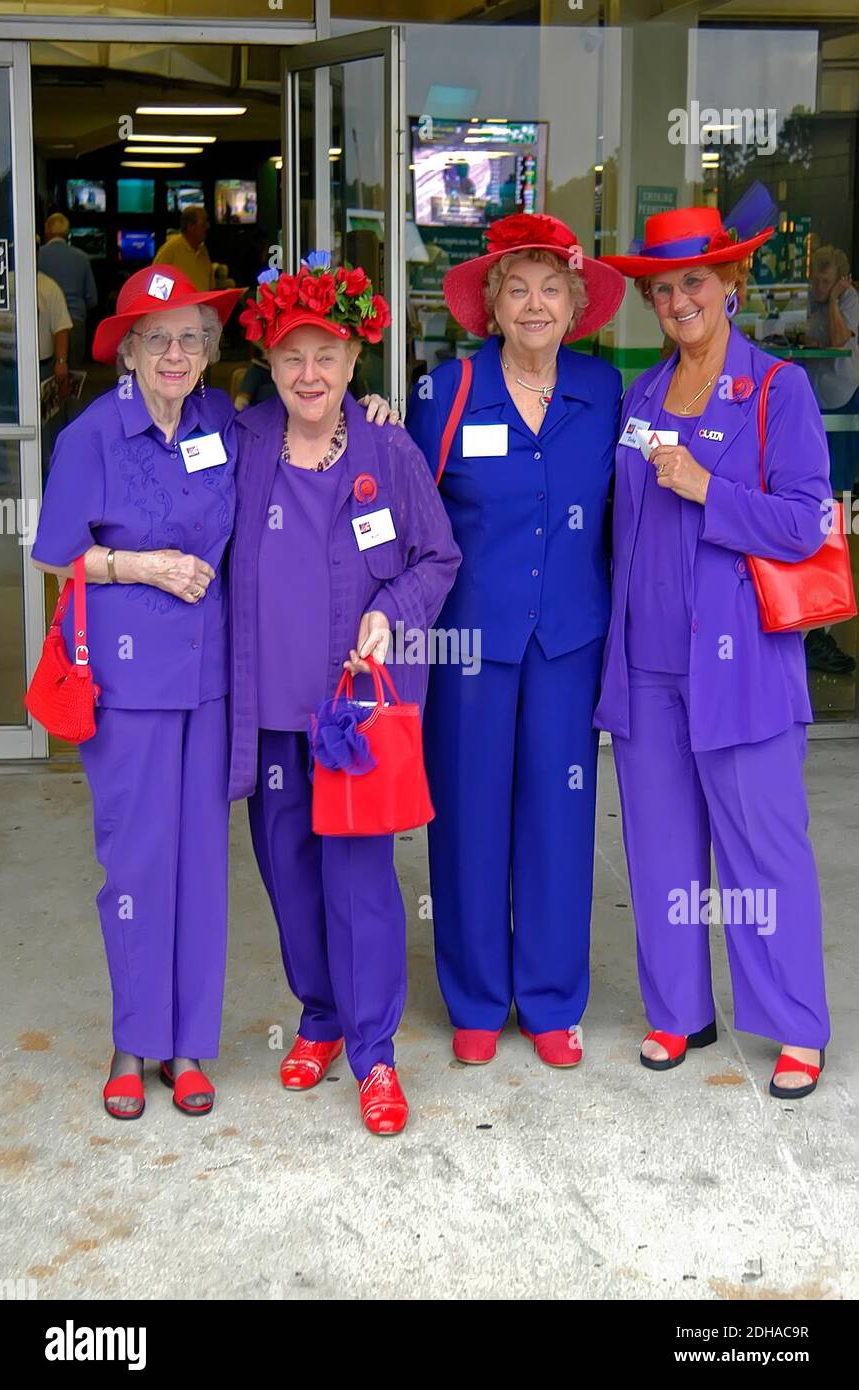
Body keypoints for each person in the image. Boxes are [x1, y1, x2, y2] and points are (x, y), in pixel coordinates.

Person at [596, 192, 831, 1099]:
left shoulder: (779, 388)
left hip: (743, 671)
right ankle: (678, 1010)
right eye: (660, 289)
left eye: (694, 281)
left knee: (762, 849)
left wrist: (705, 487)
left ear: (730, 282)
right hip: (649, 665)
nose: (677, 301)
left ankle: (794, 1025)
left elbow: (809, 520)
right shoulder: (641, 393)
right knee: (659, 843)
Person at [228, 256, 460, 1134]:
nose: (310, 375)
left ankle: (375, 1052)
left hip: (353, 715)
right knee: (289, 874)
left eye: (326, 355)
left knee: (360, 882)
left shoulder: (385, 445)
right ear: (270, 364)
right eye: (292, 358)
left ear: (355, 359)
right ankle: (319, 1017)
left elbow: (439, 558)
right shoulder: (245, 440)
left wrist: (389, 611)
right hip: (273, 711)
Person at [405, 213, 626, 1068]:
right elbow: (406, 508)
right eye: (516, 288)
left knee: (560, 820)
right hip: (469, 651)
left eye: (551, 288)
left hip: (568, 642)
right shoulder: (445, 393)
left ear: (575, 304)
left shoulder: (604, 394)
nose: (535, 304)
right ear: (490, 304)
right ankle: (474, 995)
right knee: (467, 819)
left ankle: (549, 998)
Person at [31, 264, 244, 1120]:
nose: (177, 352)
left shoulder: (222, 419)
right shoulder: (91, 436)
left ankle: (189, 1046)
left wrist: (371, 408)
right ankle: (133, 1041)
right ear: (126, 348)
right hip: (128, 681)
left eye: (193, 337)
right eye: (158, 338)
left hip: (212, 676)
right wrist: (138, 565)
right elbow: (53, 554)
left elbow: (311, 429)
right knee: (136, 863)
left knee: (202, 865)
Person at [799, 245, 858, 675]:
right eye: (815, 280)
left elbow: (841, 342)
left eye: (825, 280)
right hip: (817, 408)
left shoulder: (847, 303)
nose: (818, 287)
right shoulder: (816, 303)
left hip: (843, 409)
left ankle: (828, 613)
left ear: (840, 279)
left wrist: (836, 299)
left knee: (838, 506)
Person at [38, 212, 98, 369]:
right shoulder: (82, 258)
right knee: (71, 380)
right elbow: (92, 299)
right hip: (75, 323)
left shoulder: (37, 257)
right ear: (68, 233)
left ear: (47, 231)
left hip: (45, 325)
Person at [37, 269, 73, 479]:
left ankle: (45, 481)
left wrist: (60, 362)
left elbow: (61, 328)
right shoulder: (3, 285)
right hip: (3, 365)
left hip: (42, 366)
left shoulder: (48, 286)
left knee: (44, 427)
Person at [154, 206, 213, 292]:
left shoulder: (203, 251)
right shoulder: (170, 250)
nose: (208, 227)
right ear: (190, 226)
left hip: (201, 305)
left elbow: (210, 288)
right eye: (203, 224)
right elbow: (156, 290)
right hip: (179, 305)